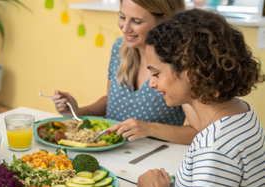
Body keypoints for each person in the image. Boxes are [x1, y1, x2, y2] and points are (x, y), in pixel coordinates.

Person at [136, 9, 265, 187]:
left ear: (189, 71)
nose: (151, 83)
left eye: (156, 73)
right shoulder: (241, 112)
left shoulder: (215, 147)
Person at [53, 0, 199, 145]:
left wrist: (149, 129)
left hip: (154, 158)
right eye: (122, 17)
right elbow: (112, 100)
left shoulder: (180, 61)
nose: (124, 28)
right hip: (111, 152)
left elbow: (197, 132)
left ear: (164, 22)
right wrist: (78, 111)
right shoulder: (120, 47)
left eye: (136, 21)